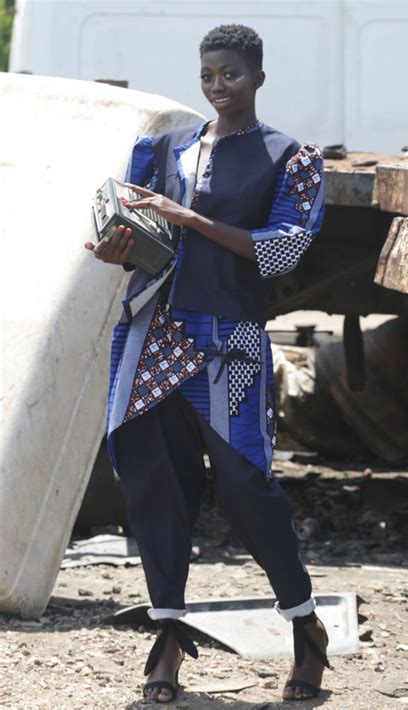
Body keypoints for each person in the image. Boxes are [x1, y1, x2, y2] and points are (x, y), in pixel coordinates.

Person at [85, 24, 328, 704]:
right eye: (208, 75)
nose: (218, 87)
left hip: (229, 341)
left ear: (257, 76)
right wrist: (117, 246)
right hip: (151, 334)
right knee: (153, 488)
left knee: (247, 489)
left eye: (231, 75)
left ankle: (307, 630)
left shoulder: (290, 157)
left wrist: (187, 220)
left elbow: (281, 251)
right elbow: (142, 242)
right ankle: (167, 642)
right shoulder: (162, 151)